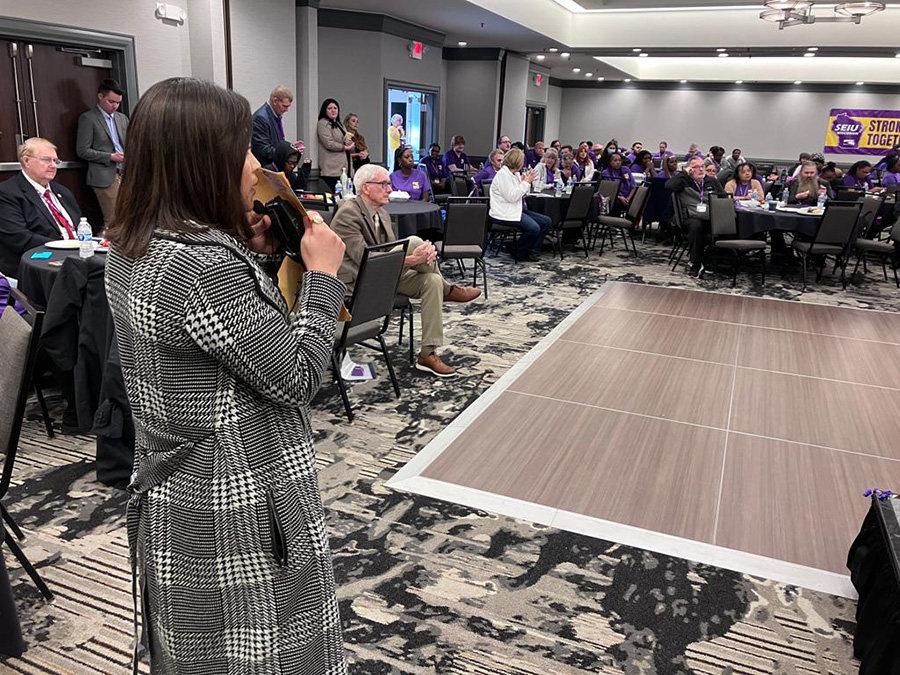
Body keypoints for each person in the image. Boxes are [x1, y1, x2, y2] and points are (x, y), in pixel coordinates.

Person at [103, 77, 347, 673]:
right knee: (259, 657)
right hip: (235, 506)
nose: (256, 166)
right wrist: (322, 278)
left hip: (176, 491)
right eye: (242, 150)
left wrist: (256, 260)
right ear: (204, 162)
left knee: (197, 652)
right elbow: (298, 375)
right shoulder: (203, 265)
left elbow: (218, 350)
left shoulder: (132, 244)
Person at [331, 163, 480, 377]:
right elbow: (366, 260)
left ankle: (427, 354)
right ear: (365, 188)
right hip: (359, 282)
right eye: (384, 184)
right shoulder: (347, 214)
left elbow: (391, 253)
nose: (390, 189)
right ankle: (450, 290)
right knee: (413, 241)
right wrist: (412, 259)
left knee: (432, 281)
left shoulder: (381, 213)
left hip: (383, 276)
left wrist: (420, 256)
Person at [0, 138, 83, 278]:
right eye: (46, 160)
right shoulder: (7, 193)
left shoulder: (62, 191)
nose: (53, 166)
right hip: (40, 266)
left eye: (55, 161)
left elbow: (81, 225)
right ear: (26, 161)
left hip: (78, 258)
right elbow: (20, 238)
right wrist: (66, 247)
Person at [75, 78, 128, 229]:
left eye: (118, 102)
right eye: (111, 102)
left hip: (125, 172)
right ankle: (111, 250)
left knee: (129, 217)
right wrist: (110, 157)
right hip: (104, 175)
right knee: (114, 219)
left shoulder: (122, 118)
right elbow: (82, 150)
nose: (115, 106)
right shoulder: (88, 118)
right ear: (100, 96)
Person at [666, 155, 726, 277]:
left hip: (711, 218)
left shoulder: (712, 181)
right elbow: (669, 186)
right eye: (696, 167)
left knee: (729, 223)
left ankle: (712, 259)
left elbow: (723, 198)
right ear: (690, 169)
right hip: (691, 219)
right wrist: (684, 173)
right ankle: (696, 263)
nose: (700, 169)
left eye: (702, 166)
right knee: (696, 226)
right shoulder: (683, 181)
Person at [489, 148, 551, 262]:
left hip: (516, 209)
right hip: (504, 213)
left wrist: (524, 181)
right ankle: (518, 250)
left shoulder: (514, 174)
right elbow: (512, 197)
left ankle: (532, 251)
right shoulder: (503, 175)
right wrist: (525, 182)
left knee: (546, 221)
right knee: (534, 228)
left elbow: (523, 194)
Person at [251, 86, 303, 167]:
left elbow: (277, 144)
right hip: (266, 169)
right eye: (285, 106)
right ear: (275, 101)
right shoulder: (260, 118)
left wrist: (290, 148)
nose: (286, 110)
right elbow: (263, 150)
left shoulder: (273, 115)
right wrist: (287, 153)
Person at [316, 97, 354, 192]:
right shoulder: (323, 124)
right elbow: (329, 143)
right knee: (339, 194)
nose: (333, 111)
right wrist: (344, 147)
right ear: (325, 110)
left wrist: (348, 143)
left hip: (344, 167)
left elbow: (344, 139)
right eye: (330, 108)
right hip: (332, 169)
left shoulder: (339, 124)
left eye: (335, 108)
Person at [600, 152, 636, 216]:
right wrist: (620, 197)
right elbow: (607, 190)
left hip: (628, 196)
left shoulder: (626, 170)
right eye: (615, 160)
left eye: (619, 160)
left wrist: (628, 198)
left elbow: (633, 186)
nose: (618, 162)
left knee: (635, 202)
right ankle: (615, 223)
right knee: (616, 203)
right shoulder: (605, 173)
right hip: (614, 197)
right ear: (610, 162)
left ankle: (630, 223)